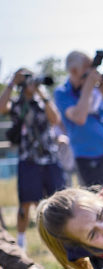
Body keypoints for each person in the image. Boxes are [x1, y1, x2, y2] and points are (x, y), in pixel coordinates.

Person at [0, 68, 67, 250]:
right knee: (26, 202)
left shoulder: (42, 101)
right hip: (27, 158)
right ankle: (21, 241)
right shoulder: (17, 103)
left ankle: (62, 239)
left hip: (49, 158)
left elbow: (54, 119)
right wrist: (13, 82)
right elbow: (1, 107)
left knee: (59, 199)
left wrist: (41, 93)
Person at [53, 51, 103, 189]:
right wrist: (88, 85)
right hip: (89, 158)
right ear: (73, 70)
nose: (93, 72)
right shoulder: (62, 92)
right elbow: (79, 118)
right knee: (100, 201)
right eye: (88, 67)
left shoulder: (95, 92)